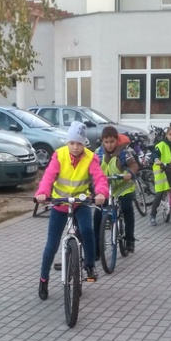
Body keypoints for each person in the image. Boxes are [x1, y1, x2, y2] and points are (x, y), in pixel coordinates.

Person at [35, 121, 109, 295]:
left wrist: (101, 193)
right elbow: (48, 177)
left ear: (84, 144)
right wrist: (43, 193)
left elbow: (99, 178)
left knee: (87, 230)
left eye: (79, 144)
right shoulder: (59, 156)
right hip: (60, 204)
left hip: (80, 203)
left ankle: (89, 265)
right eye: (72, 143)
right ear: (67, 142)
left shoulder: (91, 157)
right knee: (52, 245)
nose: (75, 147)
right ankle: (43, 279)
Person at [96, 125, 138, 253]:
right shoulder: (98, 153)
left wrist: (130, 173)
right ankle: (96, 247)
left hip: (123, 187)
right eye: (106, 142)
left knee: (127, 208)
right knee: (97, 213)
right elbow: (91, 167)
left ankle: (129, 239)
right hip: (105, 188)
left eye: (112, 141)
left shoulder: (124, 152)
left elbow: (134, 165)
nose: (109, 145)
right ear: (102, 141)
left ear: (117, 140)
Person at [149, 121, 171, 226]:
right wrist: (156, 159)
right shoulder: (161, 145)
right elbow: (155, 154)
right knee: (160, 193)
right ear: (166, 135)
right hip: (161, 170)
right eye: (170, 134)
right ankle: (152, 215)